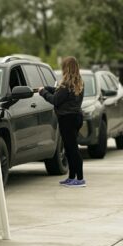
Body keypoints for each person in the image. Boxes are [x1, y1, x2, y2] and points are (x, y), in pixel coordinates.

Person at [38, 56, 85, 187]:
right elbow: (60, 93)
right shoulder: (78, 82)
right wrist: (47, 88)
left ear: (66, 68)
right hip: (76, 118)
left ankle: (80, 179)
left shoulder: (66, 85)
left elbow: (55, 100)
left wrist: (43, 92)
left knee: (72, 150)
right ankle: (72, 177)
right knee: (70, 149)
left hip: (67, 120)